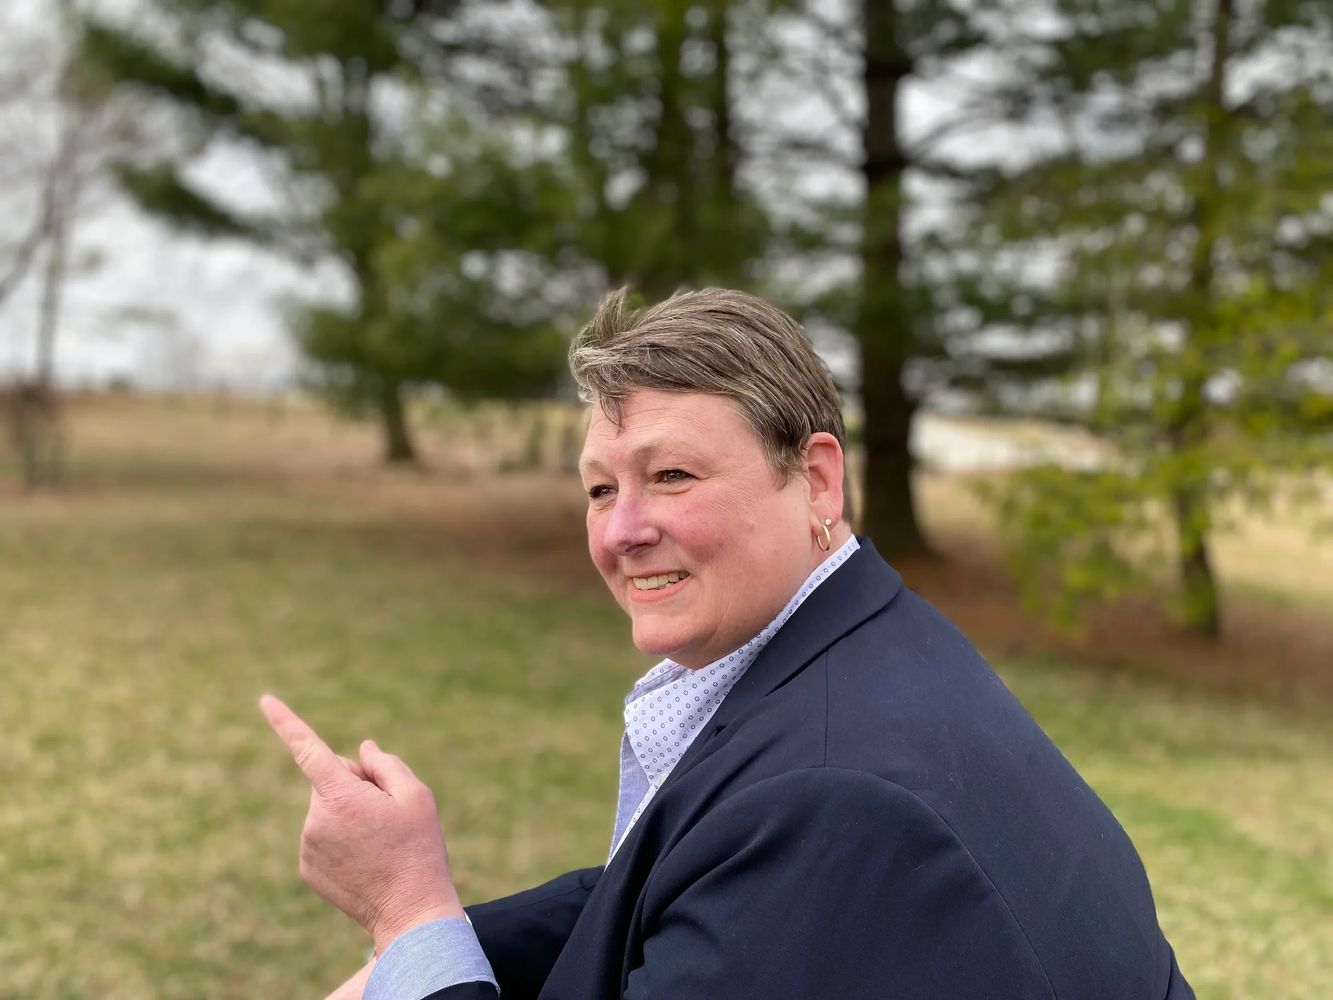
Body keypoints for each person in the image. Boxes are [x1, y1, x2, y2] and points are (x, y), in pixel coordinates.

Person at [262, 288, 1195, 1000]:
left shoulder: (831, 800)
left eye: (670, 475)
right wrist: (429, 951)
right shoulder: (863, 646)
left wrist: (410, 911)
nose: (621, 530)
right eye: (598, 490)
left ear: (817, 481)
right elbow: (675, 878)